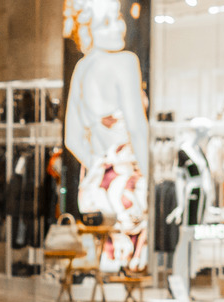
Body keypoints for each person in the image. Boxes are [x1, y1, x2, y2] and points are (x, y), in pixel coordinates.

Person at [63, 0, 150, 272]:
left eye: (118, 18)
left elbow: (72, 139)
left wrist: (100, 167)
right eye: (106, 22)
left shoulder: (82, 69)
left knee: (107, 262)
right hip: (126, 189)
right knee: (129, 266)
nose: (118, 28)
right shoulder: (125, 62)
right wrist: (148, 176)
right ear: (89, 30)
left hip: (94, 188)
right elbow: (137, 128)